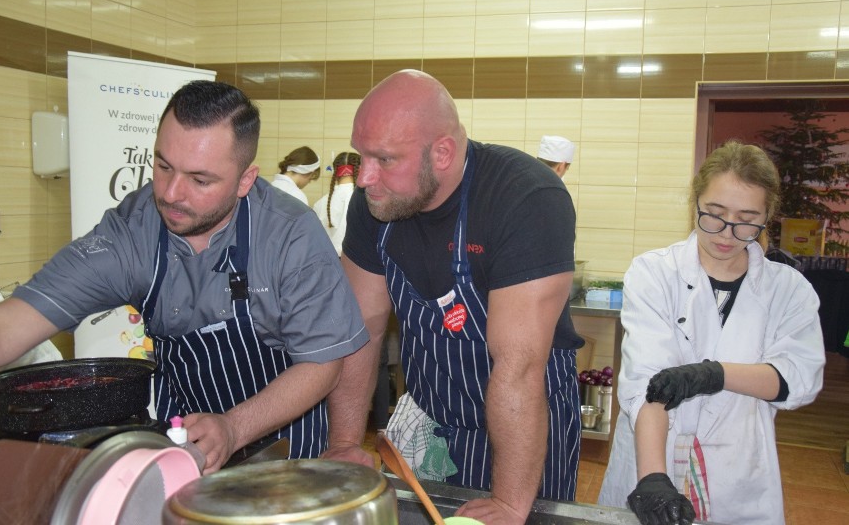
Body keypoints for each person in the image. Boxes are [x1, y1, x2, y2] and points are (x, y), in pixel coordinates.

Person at [0, 80, 368, 473]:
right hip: (187, 446)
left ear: (245, 180)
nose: (172, 193)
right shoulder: (131, 233)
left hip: (289, 449)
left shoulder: (289, 234)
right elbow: (14, 323)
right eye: (163, 166)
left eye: (200, 180)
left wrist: (233, 427)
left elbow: (323, 363)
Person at [322, 69, 583, 524]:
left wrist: (507, 503)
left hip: (525, 429)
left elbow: (519, 368)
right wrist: (345, 443)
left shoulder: (525, 197)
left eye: (384, 159)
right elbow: (359, 327)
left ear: (442, 152)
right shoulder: (376, 203)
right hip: (433, 423)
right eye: (362, 156)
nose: (364, 178)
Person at [598, 141, 825, 525]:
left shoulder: (788, 289)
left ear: (767, 216)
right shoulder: (655, 273)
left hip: (737, 468)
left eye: (747, 220)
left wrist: (714, 374)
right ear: (695, 204)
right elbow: (645, 382)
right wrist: (654, 477)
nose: (726, 233)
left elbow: (799, 379)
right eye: (714, 215)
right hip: (656, 451)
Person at [312, 152, 361, 256]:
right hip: (357, 263)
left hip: (327, 262)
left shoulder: (320, 203)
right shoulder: (366, 200)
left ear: (335, 172)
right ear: (361, 170)